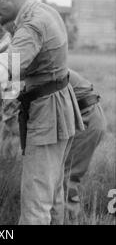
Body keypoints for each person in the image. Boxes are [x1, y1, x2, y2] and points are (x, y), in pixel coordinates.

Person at [0, 0, 84, 224]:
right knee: (52, 196)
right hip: (56, 108)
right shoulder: (44, 11)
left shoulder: (32, 25)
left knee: (35, 206)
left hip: (47, 114)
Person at [64, 69, 106, 220]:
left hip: (86, 118)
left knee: (66, 178)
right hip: (83, 115)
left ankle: (71, 219)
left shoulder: (25, 63)